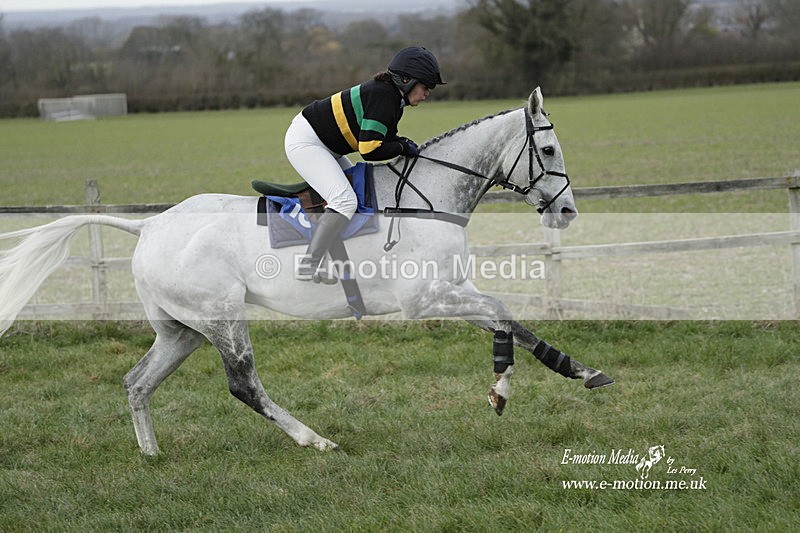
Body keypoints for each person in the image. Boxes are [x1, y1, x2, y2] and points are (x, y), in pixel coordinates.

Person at [285, 46, 446, 282]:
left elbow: (383, 140)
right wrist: (402, 147)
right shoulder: (385, 97)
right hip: (307, 143)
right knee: (345, 201)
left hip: (327, 144)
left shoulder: (391, 97)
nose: (427, 94)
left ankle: (337, 255)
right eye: (425, 87)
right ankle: (308, 265)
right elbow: (369, 150)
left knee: (356, 197)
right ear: (405, 80)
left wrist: (400, 143)